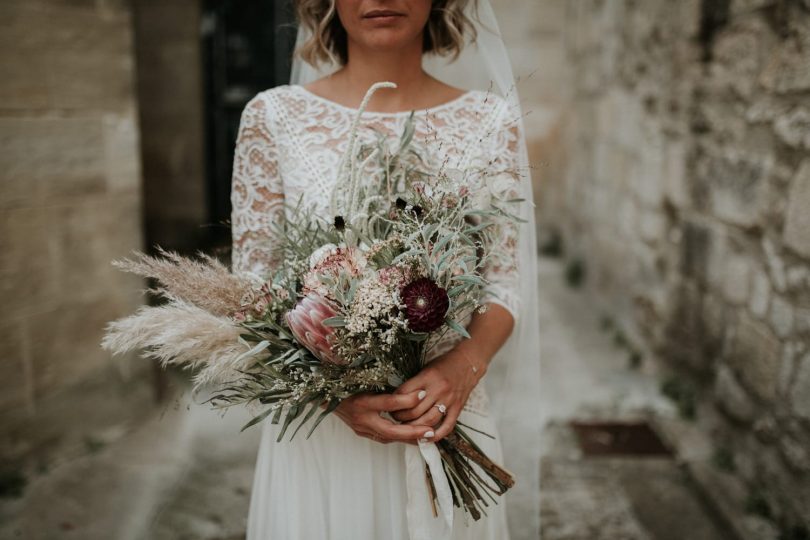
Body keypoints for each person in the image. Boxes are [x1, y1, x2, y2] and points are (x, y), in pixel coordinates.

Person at [230, 1, 540, 538]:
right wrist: (331, 395)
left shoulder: (489, 121)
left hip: (447, 409)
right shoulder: (273, 116)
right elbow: (251, 287)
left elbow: (506, 281)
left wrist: (463, 365)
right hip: (323, 432)